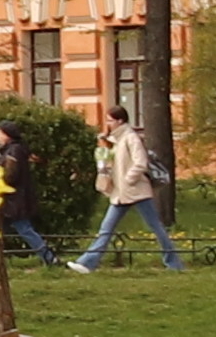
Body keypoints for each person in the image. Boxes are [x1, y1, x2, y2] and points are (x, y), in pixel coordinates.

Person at [66, 105, 181, 271]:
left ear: (120, 121)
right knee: (106, 228)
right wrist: (104, 141)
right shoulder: (118, 140)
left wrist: (129, 179)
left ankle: (174, 263)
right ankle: (87, 263)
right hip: (121, 193)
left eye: (110, 120)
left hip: (136, 191)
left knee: (155, 226)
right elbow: (109, 160)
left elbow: (140, 162)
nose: (107, 123)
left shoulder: (131, 138)